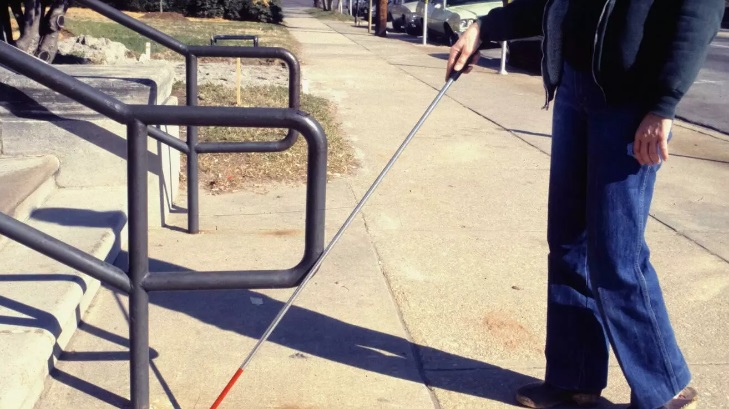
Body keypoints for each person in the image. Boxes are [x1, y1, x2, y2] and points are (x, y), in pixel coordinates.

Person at [445, 1, 724, 408]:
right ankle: (574, 381)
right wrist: (484, 28)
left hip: (631, 102)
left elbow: (696, 15)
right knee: (568, 244)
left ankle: (665, 388)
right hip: (575, 86)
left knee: (617, 254)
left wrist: (663, 104)